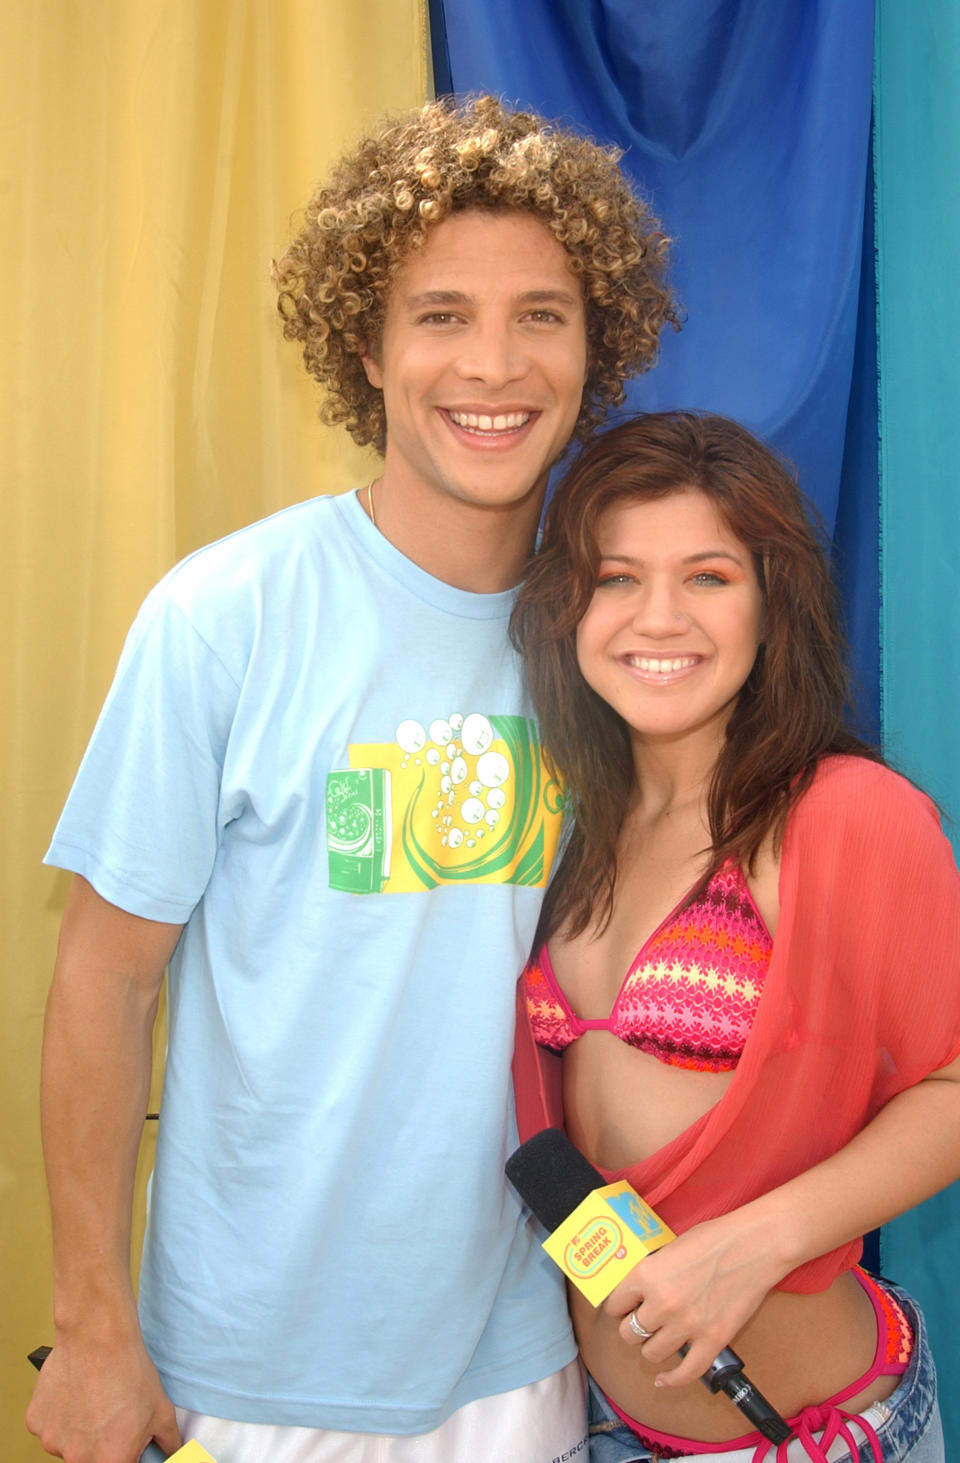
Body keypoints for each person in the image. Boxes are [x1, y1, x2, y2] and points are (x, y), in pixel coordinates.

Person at [26, 96, 677, 1463]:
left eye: (541, 314)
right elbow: (102, 977)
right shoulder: (226, 614)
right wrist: (92, 1323)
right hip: (249, 1375)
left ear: (596, 343)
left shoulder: (620, 640)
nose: (491, 363)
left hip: (520, 1358)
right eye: (439, 313)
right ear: (364, 347)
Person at [510, 411, 960, 1462]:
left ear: (772, 605)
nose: (658, 617)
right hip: (597, 1423)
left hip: (815, 1436)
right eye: (616, 577)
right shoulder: (571, 820)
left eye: (708, 576)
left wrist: (752, 1245)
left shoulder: (849, 814)